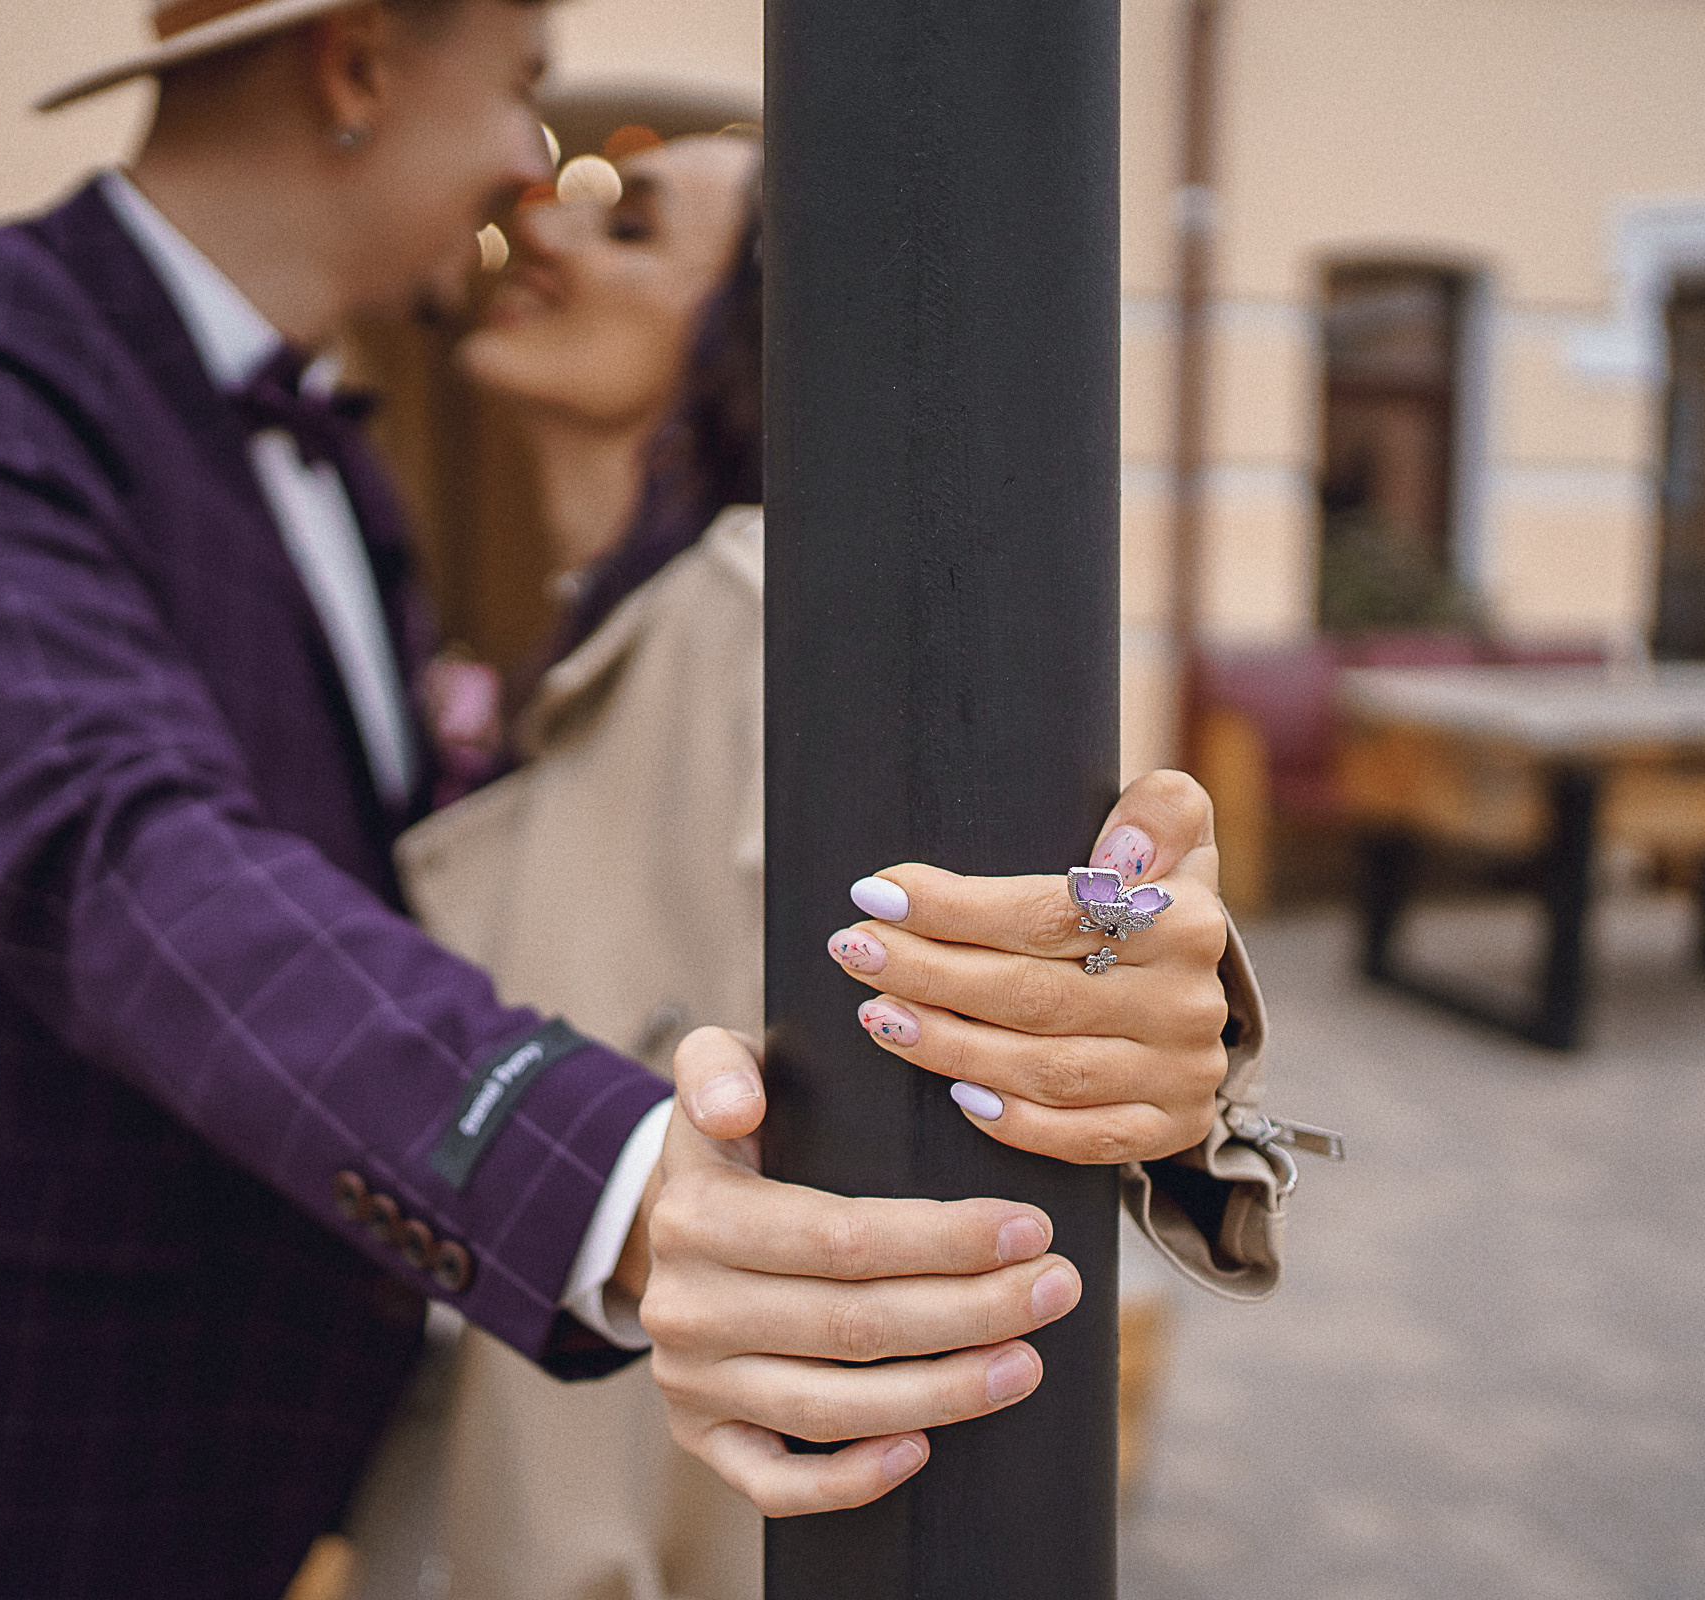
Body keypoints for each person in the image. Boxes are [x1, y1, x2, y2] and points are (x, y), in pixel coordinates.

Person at [0, 5, 1233, 1597]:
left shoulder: (425, 498)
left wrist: (1162, 999)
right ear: (354, 69)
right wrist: (611, 1188)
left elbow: (948, 930)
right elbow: (116, 851)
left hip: (324, 1493)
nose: (527, 169)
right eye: (525, 83)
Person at [341, 130, 1275, 1599]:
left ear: (758, 331)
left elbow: (1039, 936)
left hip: (675, 1503)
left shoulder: (779, 623)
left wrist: (1160, 993)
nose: (549, 230)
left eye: (631, 223)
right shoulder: (603, 621)